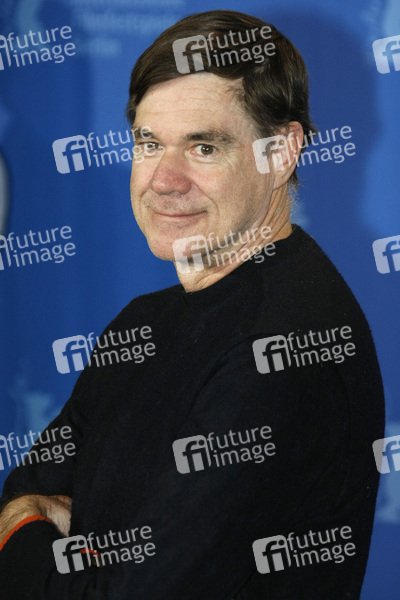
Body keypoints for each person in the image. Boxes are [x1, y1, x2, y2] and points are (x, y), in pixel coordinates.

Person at [0, 9, 384, 599]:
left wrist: (24, 529)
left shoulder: (282, 349)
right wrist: (32, 516)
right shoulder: (144, 322)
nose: (164, 180)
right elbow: (25, 485)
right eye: (149, 142)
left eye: (204, 147)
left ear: (282, 153)